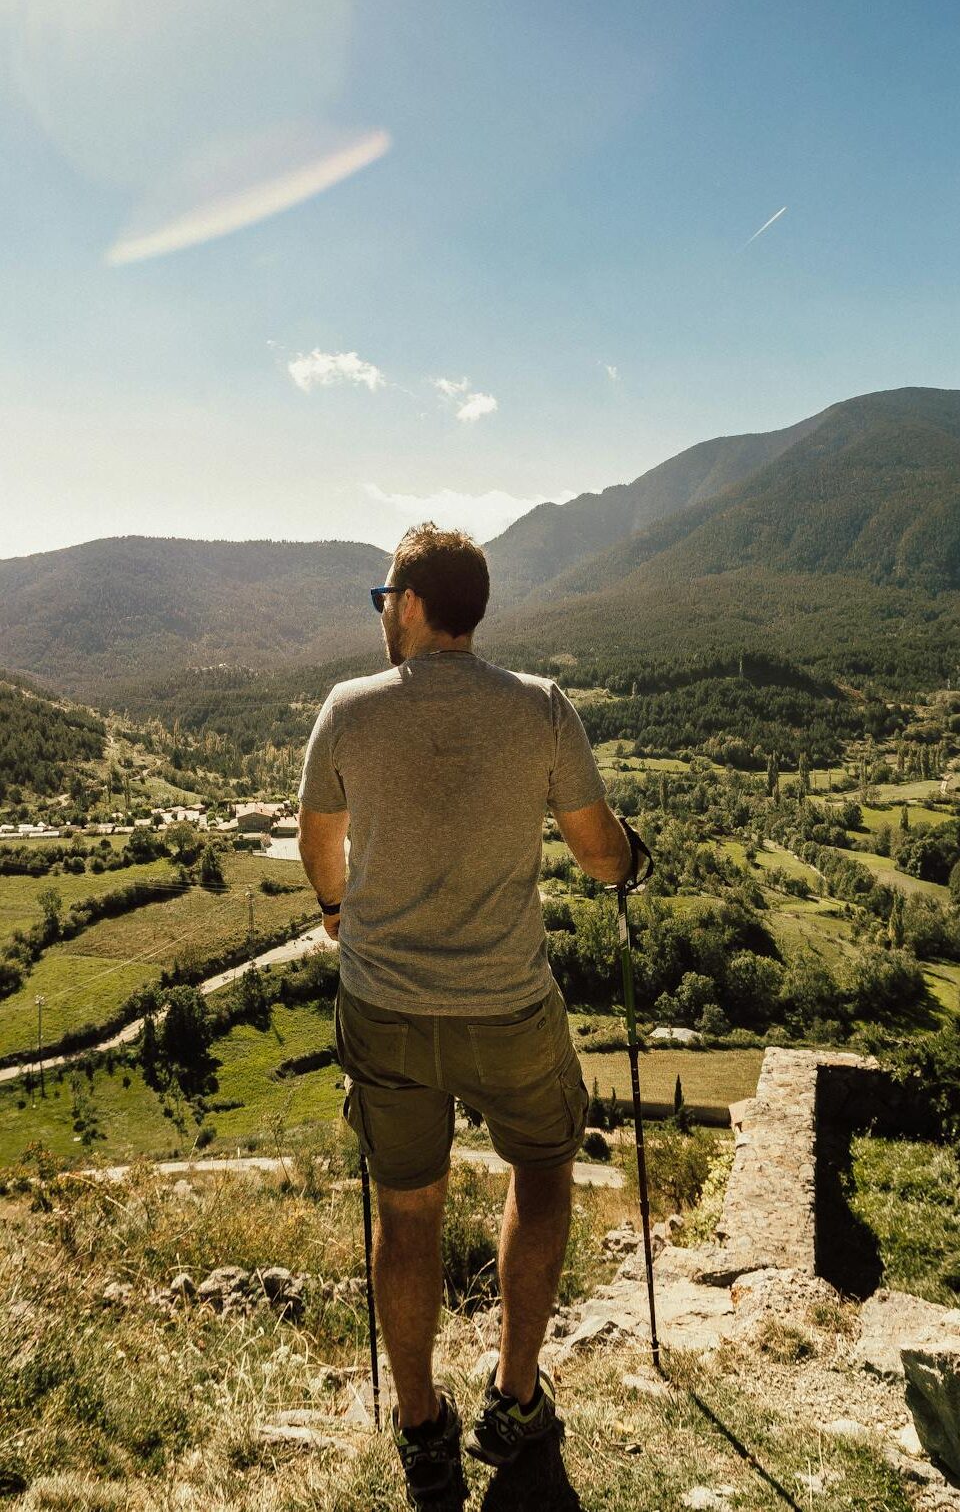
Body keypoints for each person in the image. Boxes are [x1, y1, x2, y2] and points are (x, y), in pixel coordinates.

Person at [298, 523, 635, 1507]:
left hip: (386, 1009)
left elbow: (323, 850)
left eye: (381, 602)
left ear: (408, 605)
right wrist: (633, 861)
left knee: (407, 1212)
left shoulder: (347, 712)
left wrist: (334, 911)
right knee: (542, 1174)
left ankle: (420, 1429)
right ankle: (516, 1397)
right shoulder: (540, 709)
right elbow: (599, 851)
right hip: (508, 1008)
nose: (381, 619)